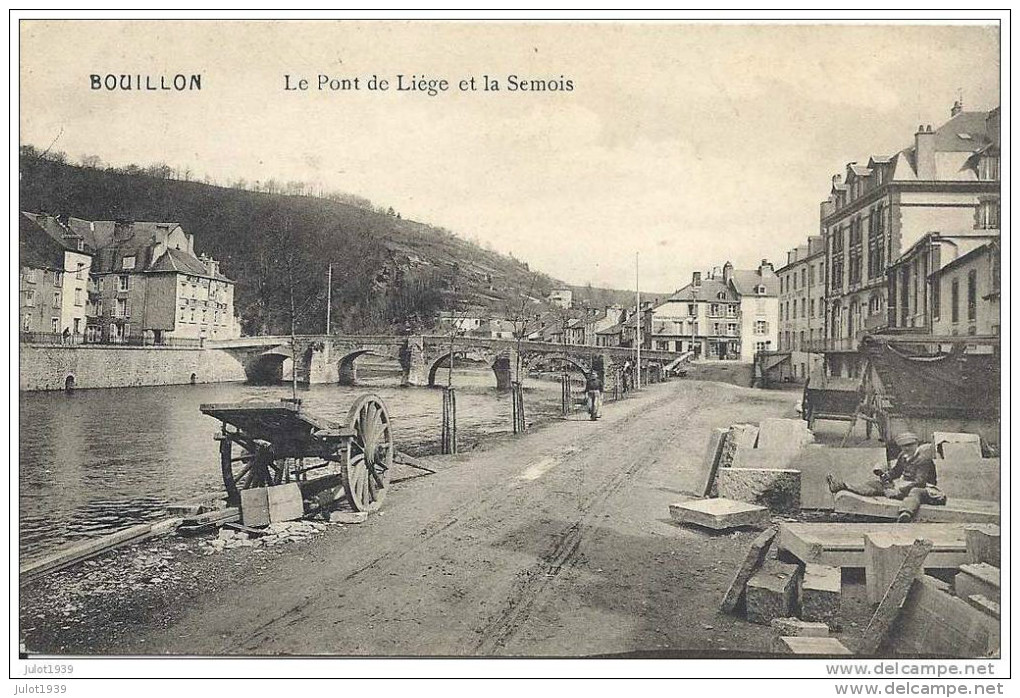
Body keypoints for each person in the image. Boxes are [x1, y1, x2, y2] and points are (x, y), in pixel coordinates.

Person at [827, 431, 946, 522]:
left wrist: (898, 492)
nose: (907, 448)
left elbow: (920, 482)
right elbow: (897, 472)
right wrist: (886, 476)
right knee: (876, 484)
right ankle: (842, 486)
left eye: (910, 445)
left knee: (915, 492)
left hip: (926, 490)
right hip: (904, 486)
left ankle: (906, 513)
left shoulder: (923, 460)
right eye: (904, 446)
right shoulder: (903, 456)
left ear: (916, 444)